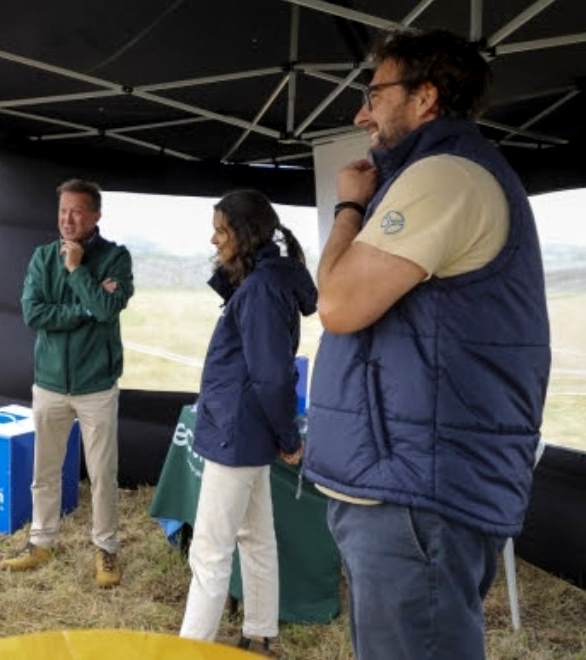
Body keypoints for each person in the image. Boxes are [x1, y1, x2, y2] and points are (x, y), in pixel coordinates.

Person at [303, 29, 551, 660]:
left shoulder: (445, 175)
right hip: (407, 483)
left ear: (425, 98)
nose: (361, 113)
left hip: (415, 492)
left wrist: (348, 209)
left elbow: (337, 304)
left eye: (374, 92)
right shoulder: (432, 175)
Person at [179, 190, 317, 652]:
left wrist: (288, 435)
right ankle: (259, 636)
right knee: (256, 539)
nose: (214, 239)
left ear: (246, 234)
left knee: (210, 552)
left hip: (237, 433)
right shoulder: (263, 281)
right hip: (245, 430)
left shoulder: (260, 289)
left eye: (221, 230)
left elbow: (274, 375)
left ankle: (192, 649)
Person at [0, 178, 134, 588]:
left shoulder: (116, 257)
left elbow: (108, 309)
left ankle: (106, 550)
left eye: (76, 211)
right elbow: (33, 314)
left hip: (97, 385)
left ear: (95, 215)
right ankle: (41, 541)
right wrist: (85, 307)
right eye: (62, 211)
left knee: (102, 473)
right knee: (45, 469)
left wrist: (77, 271)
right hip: (50, 384)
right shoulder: (42, 257)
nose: (67, 219)